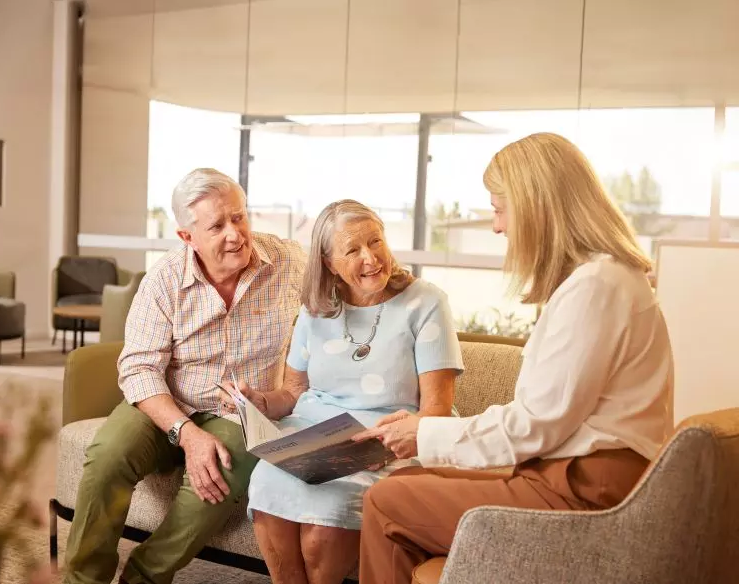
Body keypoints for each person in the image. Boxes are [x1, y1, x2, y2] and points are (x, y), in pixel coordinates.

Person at [355, 133, 675, 584]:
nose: (497, 227)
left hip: (584, 491)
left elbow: (534, 425)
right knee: (400, 488)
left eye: (499, 208)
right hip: (576, 476)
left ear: (537, 207)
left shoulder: (595, 288)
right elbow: (544, 420)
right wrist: (425, 436)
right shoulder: (607, 279)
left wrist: (424, 433)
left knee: (387, 502)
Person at [63, 169, 306, 584]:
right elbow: (139, 368)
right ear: (187, 237)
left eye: (240, 217)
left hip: (241, 412)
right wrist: (186, 434)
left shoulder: (289, 263)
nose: (235, 234)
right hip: (168, 399)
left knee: (224, 465)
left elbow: (346, 271)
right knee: (108, 456)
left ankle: (144, 576)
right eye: (217, 226)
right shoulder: (164, 279)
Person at [221, 200, 464, 584]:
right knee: (267, 482)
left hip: (385, 442)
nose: (370, 258)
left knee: (323, 525)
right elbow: (293, 392)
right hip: (311, 439)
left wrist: (390, 441)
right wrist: (259, 402)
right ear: (329, 262)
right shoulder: (315, 311)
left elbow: (436, 408)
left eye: (376, 242)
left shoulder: (426, 302)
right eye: (353, 250)